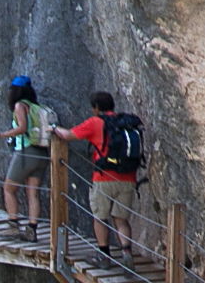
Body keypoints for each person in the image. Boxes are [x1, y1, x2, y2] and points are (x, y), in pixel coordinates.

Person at [60, 91, 145, 260]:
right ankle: (126, 253)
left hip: (104, 177)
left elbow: (68, 135)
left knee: (100, 217)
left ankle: (103, 255)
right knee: (121, 219)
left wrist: (54, 128)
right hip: (128, 177)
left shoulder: (95, 122)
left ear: (96, 108)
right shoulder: (126, 123)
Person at [0, 76, 51, 237]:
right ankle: (31, 230)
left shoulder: (20, 106)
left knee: (9, 189)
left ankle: (13, 225)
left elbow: (22, 127)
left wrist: (2, 134)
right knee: (32, 193)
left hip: (26, 152)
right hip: (41, 153)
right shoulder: (35, 106)